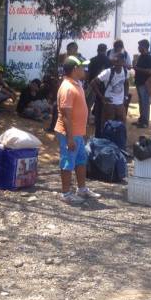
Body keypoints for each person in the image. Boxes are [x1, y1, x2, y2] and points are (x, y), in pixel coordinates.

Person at [55, 56, 101, 204]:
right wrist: (69, 138)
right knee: (67, 162)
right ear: (75, 69)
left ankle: (82, 189)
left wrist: (82, 132)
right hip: (69, 133)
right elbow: (66, 116)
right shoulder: (67, 88)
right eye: (82, 67)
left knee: (81, 161)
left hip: (77, 132)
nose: (85, 70)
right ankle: (66, 194)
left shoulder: (77, 83)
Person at [89, 55, 129, 126]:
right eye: (115, 61)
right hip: (109, 103)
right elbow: (93, 83)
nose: (116, 63)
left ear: (123, 62)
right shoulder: (108, 72)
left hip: (120, 103)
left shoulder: (125, 72)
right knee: (108, 124)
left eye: (118, 61)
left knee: (122, 123)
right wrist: (101, 97)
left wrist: (125, 96)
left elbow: (126, 83)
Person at [133, 39, 151, 128]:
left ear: (144, 47)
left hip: (145, 83)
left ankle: (145, 122)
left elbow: (149, 71)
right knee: (141, 102)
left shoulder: (149, 57)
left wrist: (136, 68)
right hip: (139, 82)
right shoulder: (141, 56)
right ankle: (141, 119)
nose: (138, 48)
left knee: (145, 102)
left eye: (139, 46)